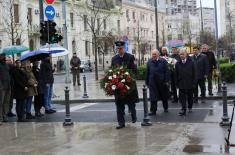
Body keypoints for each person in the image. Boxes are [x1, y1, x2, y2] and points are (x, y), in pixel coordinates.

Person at [111, 41, 139, 129]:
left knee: (131, 103)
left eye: (121, 48)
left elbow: (134, 70)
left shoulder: (130, 57)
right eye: (118, 49)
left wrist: (128, 76)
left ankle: (134, 116)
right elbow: (112, 70)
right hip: (118, 86)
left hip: (128, 85)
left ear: (124, 48)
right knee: (119, 105)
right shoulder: (114, 59)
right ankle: (121, 123)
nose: (119, 50)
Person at [145, 49, 170, 115]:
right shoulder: (149, 62)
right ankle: (153, 110)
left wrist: (166, 81)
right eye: (153, 54)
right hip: (152, 82)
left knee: (164, 96)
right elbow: (147, 72)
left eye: (155, 54)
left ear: (158, 54)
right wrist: (147, 82)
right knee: (153, 97)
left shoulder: (163, 61)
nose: (154, 55)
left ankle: (165, 108)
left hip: (162, 82)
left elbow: (167, 72)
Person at [175, 48, 195, 116]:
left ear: (186, 54)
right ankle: (183, 109)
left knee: (190, 97)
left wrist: (194, 83)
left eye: (183, 54)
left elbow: (195, 73)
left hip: (190, 83)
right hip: (181, 83)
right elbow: (176, 74)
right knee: (182, 97)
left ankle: (190, 107)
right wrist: (176, 83)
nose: (181, 55)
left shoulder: (191, 62)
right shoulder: (177, 64)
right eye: (180, 54)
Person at [0, 53, 11, 124]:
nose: (3, 56)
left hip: (8, 86)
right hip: (2, 86)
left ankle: (4, 115)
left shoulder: (6, 65)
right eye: (2, 55)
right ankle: (0, 117)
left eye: (4, 55)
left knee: (6, 101)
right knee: (1, 102)